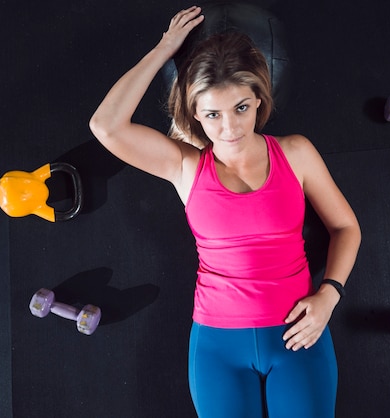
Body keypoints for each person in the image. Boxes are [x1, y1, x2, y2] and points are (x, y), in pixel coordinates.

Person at [90, 6, 361, 418]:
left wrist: (330, 294)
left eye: (240, 108)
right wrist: (165, 48)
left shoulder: (296, 153)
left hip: (300, 337)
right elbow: (106, 126)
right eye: (213, 114)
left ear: (258, 101)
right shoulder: (184, 166)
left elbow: (345, 227)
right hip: (218, 347)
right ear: (195, 113)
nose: (230, 128)